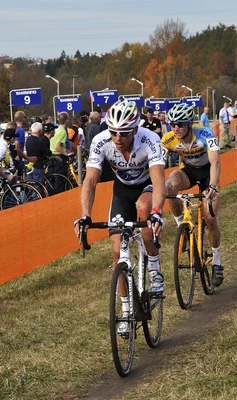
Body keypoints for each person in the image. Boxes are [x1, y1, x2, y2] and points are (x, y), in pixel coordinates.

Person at [74, 100, 165, 335]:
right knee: (117, 255)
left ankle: (154, 270)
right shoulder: (100, 141)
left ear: (134, 129)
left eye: (123, 133)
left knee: (144, 208)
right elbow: (90, 180)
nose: (117, 137)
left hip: (146, 188)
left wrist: (157, 212)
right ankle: (126, 312)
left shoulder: (150, 140)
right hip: (122, 192)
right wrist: (85, 215)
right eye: (113, 132)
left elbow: (158, 180)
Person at [161, 103, 224, 286]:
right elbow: (158, 163)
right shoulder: (168, 139)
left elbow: (215, 161)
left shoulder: (206, 134)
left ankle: (217, 262)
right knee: (169, 187)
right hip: (188, 171)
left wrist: (212, 185)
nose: (176, 128)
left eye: (181, 124)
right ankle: (181, 224)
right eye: (173, 124)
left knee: (210, 215)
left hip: (208, 174)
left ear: (190, 124)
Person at [14, 111, 37, 178]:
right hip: (17, 161)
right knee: (19, 183)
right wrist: (28, 158)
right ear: (21, 119)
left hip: (12, 160)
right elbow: (17, 148)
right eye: (25, 117)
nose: (26, 119)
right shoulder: (20, 131)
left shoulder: (13, 128)